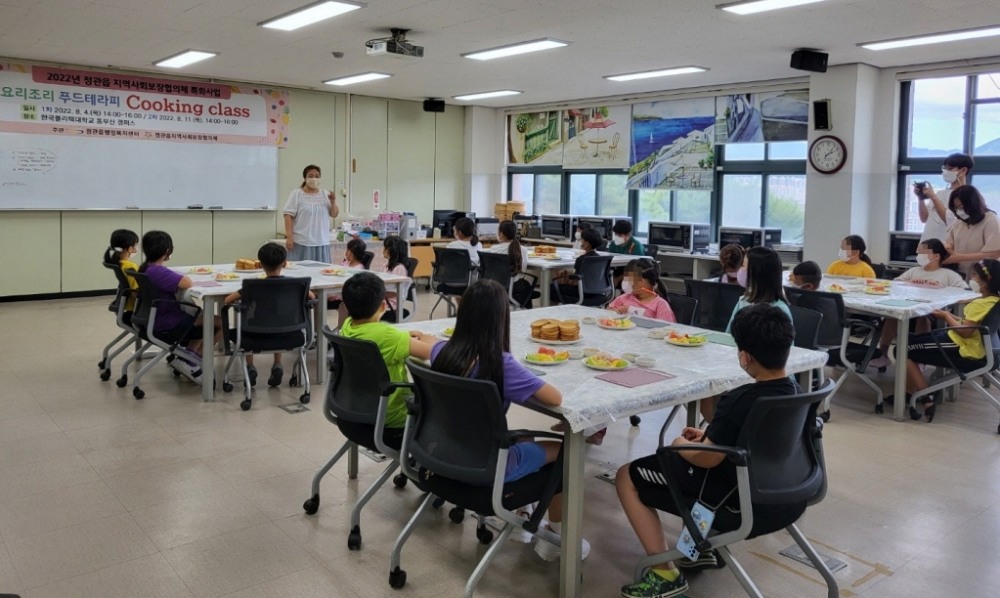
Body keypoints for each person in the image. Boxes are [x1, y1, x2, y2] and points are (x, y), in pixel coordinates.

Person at [616, 304, 798, 598]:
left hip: (735, 503)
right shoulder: (796, 393)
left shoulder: (741, 399)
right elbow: (759, 439)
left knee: (627, 476)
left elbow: (706, 459)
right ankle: (697, 549)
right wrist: (712, 437)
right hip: (787, 496)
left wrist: (678, 446)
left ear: (745, 356)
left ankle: (665, 574)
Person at [430, 280, 589, 562]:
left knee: (523, 436)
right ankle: (555, 536)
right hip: (486, 465)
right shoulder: (501, 363)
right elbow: (554, 398)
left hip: (444, 452)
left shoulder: (442, 350)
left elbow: (423, 348)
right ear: (501, 319)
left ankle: (522, 516)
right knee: (568, 452)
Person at [890, 259, 1000, 422]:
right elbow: (971, 324)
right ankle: (913, 393)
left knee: (902, 349)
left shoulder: (980, 304)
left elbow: (966, 333)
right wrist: (949, 316)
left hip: (963, 346)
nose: (971, 278)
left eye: (975, 275)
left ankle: (925, 397)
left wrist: (946, 316)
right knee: (908, 343)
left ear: (987, 279)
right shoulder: (993, 301)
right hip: (976, 346)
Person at [340, 272, 436, 447]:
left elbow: (377, 336)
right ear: (383, 306)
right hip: (391, 420)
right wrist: (432, 341)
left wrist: (404, 337)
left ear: (346, 306)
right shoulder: (387, 336)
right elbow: (430, 353)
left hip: (351, 412)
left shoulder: (346, 327)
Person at [224, 243, 315, 388]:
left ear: (260, 264)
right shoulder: (296, 285)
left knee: (250, 323)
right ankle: (277, 364)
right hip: (288, 335)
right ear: (285, 263)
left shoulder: (253, 286)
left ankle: (250, 366)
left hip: (255, 337)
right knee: (278, 320)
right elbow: (311, 296)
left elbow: (227, 300)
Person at [869, 239, 967, 369]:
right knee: (891, 316)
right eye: (918, 253)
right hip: (909, 305)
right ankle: (883, 354)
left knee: (924, 316)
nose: (918, 256)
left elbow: (963, 292)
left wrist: (941, 287)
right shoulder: (914, 271)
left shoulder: (948, 274)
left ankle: (920, 356)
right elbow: (895, 284)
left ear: (936, 256)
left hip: (934, 310)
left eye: (923, 253)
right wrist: (909, 283)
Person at [138, 230, 221, 370]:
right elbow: (186, 283)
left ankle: (190, 353)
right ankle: (196, 358)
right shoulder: (158, 271)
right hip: (167, 322)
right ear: (167, 250)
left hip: (154, 318)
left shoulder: (146, 268)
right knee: (218, 322)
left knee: (202, 317)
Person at [726, 246, 792, 333]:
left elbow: (786, 345)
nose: (740, 269)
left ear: (756, 273)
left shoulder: (780, 311)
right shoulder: (743, 302)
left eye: (743, 265)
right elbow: (728, 335)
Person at [283, 164, 339, 263]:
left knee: (320, 273)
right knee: (299, 271)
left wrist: (333, 202)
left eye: (317, 176)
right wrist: (289, 237)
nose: (314, 179)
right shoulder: (297, 194)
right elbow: (288, 215)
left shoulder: (325, 194)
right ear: (305, 178)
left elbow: (334, 214)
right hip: (301, 242)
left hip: (321, 242)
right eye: (311, 176)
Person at [942, 185, 1000, 276]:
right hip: (960, 273)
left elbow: (994, 253)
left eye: (961, 207)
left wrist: (960, 257)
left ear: (973, 204)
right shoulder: (959, 221)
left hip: (983, 275)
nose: (958, 211)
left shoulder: (991, 220)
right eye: (956, 208)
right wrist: (947, 249)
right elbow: (950, 241)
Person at [916, 153, 973, 244]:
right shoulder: (940, 193)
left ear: (963, 170)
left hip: (946, 247)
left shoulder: (967, 195)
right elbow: (924, 218)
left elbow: (951, 221)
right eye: (945, 169)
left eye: (950, 169)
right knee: (923, 258)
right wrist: (921, 198)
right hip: (927, 244)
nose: (946, 172)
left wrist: (933, 197)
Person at [608, 261, 676, 322]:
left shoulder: (660, 305)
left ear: (641, 282)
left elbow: (668, 328)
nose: (626, 283)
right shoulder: (625, 297)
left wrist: (631, 310)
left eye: (630, 279)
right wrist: (615, 312)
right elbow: (607, 312)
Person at [550, 228, 604, 304]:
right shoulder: (601, 258)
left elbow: (575, 282)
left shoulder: (582, 259)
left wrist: (564, 279)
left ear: (586, 243)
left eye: (582, 240)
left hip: (582, 293)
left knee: (551, 288)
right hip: (598, 292)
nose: (580, 242)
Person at [489, 220, 535, 307]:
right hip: (512, 286)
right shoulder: (522, 249)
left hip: (494, 284)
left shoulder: (493, 249)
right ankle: (528, 311)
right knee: (527, 285)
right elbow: (522, 270)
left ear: (501, 234)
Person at [104, 228, 140, 311]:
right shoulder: (130, 267)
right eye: (136, 245)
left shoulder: (119, 263)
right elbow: (135, 292)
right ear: (130, 249)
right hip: (135, 308)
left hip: (127, 305)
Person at [380, 235, 412, 322]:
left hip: (391, 305)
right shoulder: (385, 265)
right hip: (382, 301)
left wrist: (378, 294)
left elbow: (397, 292)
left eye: (385, 248)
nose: (383, 250)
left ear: (392, 250)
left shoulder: (400, 268)